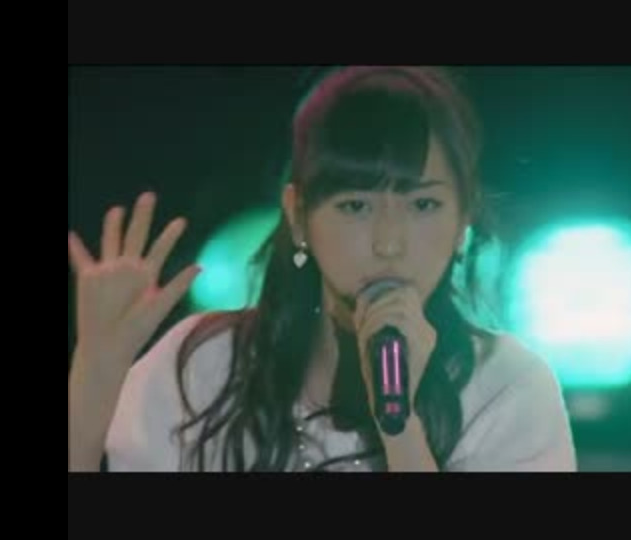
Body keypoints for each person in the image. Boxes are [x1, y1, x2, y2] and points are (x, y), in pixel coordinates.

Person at [68, 65, 577, 472]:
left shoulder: (508, 388)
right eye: (355, 206)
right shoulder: (206, 366)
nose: (389, 243)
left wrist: (399, 424)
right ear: (298, 217)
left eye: (423, 205)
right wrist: (96, 371)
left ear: (463, 218)